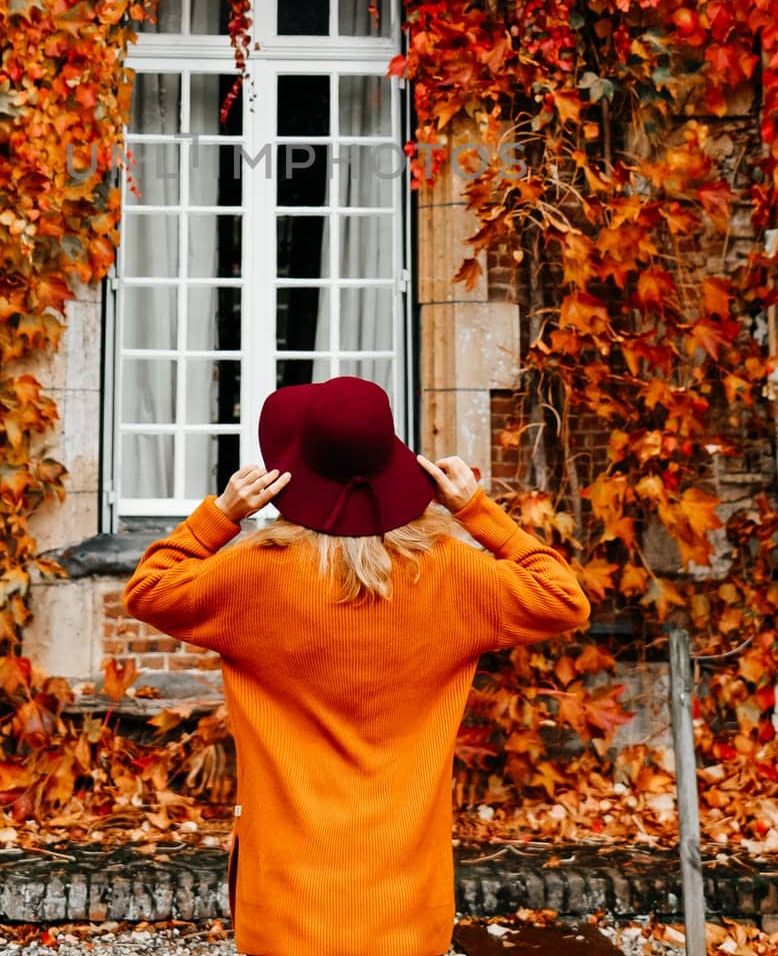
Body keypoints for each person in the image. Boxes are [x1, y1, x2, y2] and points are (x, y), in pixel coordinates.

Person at [123, 375, 591, 956]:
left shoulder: (256, 575)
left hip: (285, 906)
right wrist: (476, 511)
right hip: (407, 908)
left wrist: (221, 515)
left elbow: (148, 590)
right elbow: (564, 597)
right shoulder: (450, 575)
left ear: (291, 475)